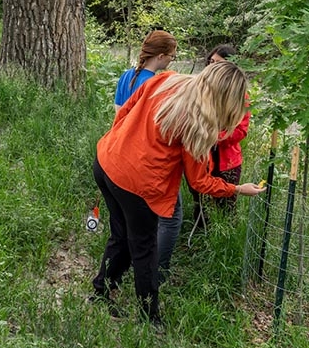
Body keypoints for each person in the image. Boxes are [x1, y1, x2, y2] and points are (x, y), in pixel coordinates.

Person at [92, 62, 264, 325]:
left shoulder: (168, 80)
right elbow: (200, 182)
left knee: (122, 235)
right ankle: (150, 317)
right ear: (225, 99)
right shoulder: (199, 124)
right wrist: (238, 189)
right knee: (144, 250)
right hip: (137, 186)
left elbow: (125, 111)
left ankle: (101, 290)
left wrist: (119, 143)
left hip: (106, 161)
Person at [113, 31, 182, 282]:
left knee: (126, 220)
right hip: (144, 159)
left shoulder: (126, 77)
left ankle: (126, 264)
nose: (171, 62)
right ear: (161, 56)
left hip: (119, 155)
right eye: (171, 57)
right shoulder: (153, 84)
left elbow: (118, 115)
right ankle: (157, 271)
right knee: (170, 217)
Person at [189, 44, 251, 232]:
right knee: (200, 201)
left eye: (218, 63)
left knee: (227, 205)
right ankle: (201, 239)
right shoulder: (198, 89)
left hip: (227, 160)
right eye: (211, 61)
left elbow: (241, 130)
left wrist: (214, 137)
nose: (212, 66)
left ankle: (225, 242)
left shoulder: (241, 95)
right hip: (200, 156)